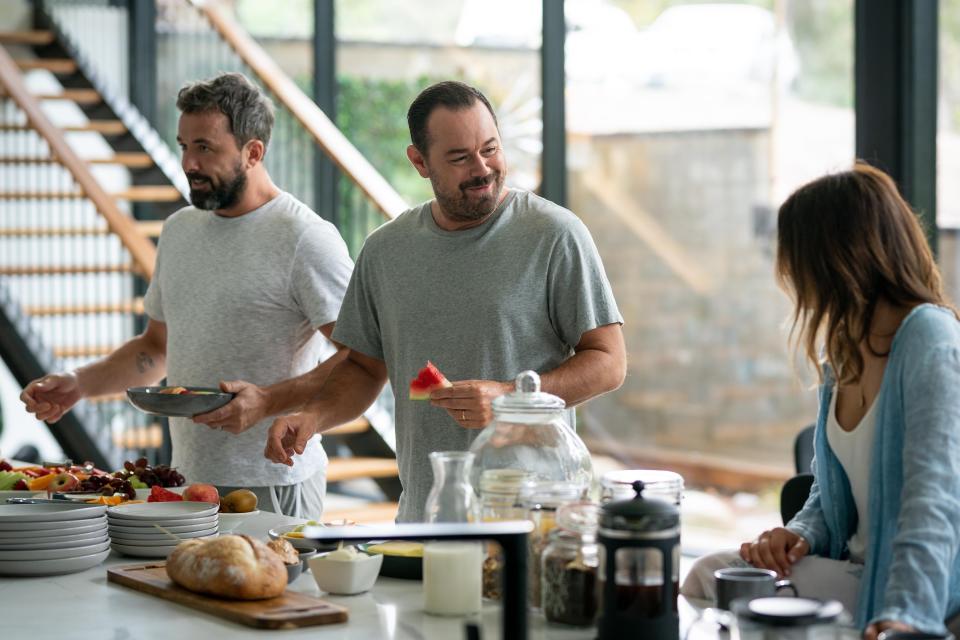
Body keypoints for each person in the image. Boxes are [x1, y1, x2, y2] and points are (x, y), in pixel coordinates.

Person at [259, 80, 626, 522]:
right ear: (419, 162)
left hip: (533, 517)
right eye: (459, 158)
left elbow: (609, 361)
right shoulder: (385, 250)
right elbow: (363, 368)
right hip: (425, 515)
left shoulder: (555, 234)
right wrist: (313, 417)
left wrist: (513, 397)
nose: (482, 168)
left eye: (490, 149)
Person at [19, 72, 354, 518]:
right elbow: (154, 349)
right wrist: (80, 384)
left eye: (205, 148)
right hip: (186, 481)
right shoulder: (179, 230)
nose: (189, 163)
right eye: (184, 146)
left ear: (253, 152)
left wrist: (268, 402)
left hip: (274, 481)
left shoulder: (306, 238)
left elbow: (362, 356)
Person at [681, 163, 960, 638]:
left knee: (721, 592)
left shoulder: (928, 337)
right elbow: (829, 490)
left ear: (834, 257)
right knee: (711, 576)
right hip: (853, 570)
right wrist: (800, 533)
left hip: (912, 586)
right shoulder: (845, 351)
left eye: (793, 255)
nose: (786, 272)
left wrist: (907, 614)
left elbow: (934, 498)